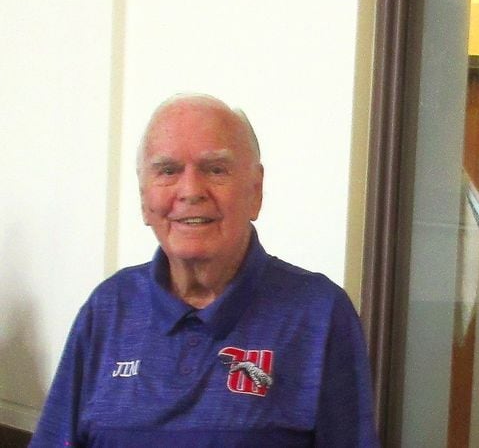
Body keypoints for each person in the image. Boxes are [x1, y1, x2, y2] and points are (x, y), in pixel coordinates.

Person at [30, 94, 379, 447]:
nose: (191, 191)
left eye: (215, 170)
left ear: (255, 191)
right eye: (168, 171)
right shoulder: (108, 308)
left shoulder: (318, 314)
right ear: (143, 198)